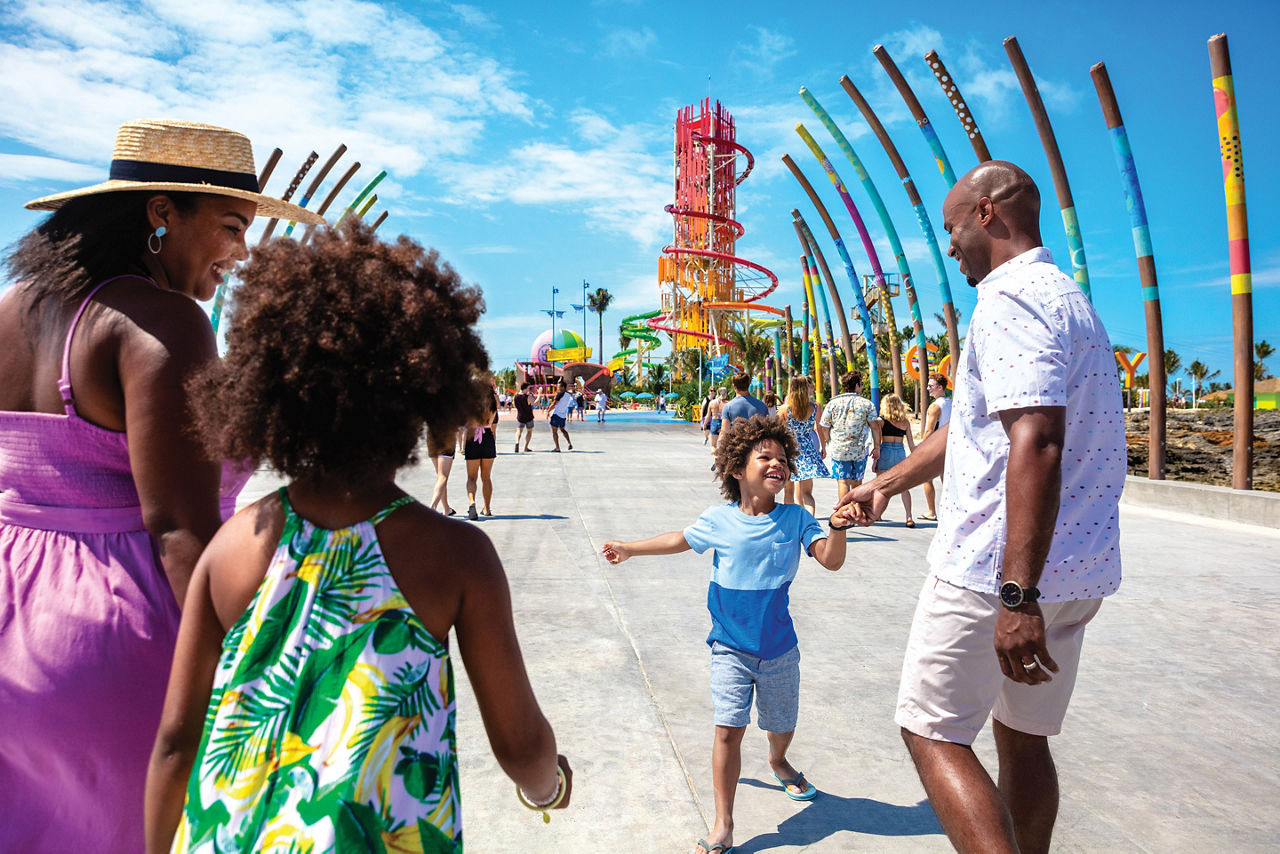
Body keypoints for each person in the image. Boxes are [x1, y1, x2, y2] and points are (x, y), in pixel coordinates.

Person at [144, 221, 572, 853]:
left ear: (270, 389)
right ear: (428, 388)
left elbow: (176, 744)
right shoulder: (454, 556)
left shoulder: (234, 545)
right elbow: (519, 744)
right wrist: (547, 788)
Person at [0, 118, 323, 851]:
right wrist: (263, 670)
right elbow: (180, 532)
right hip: (107, 638)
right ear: (161, 213)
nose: (241, 253)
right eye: (232, 228)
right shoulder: (164, 322)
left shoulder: (12, 308)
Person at [834, 161, 1125, 854]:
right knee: (1022, 738)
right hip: (1076, 573)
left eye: (953, 226)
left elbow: (1040, 441)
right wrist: (886, 483)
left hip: (995, 573)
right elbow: (975, 431)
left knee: (930, 728)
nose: (951, 243)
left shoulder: (1011, 299)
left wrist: (1016, 595)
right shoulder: (1070, 301)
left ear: (987, 214)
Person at [601, 416, 846, 854]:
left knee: (780, 724)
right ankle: (724, 823)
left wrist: (839, 528)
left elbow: (829, 560)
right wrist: (631, 548)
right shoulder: (719, 520)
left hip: (779, 651)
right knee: (728, 730)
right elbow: (680, 539)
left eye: (783, 458)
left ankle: (777, 760)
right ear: (737, 469)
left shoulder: (795, 518)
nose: (778, 464)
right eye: (765, 457)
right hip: (729, 648)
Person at [818, 370, 881, 503]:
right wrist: (877, 447)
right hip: (859, 450)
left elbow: (824, 426)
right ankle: (855, 509)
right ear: (857, 385)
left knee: (843, 482)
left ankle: (844, 511)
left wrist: (829, 440)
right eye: (861, 384)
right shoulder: (867, 404)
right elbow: (875, 427)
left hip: (838, 450)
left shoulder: (832, 404)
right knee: (857, 482)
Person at [777, 376, 828, 516]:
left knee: (788, 490)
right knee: (807, 493)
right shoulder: (815, 407)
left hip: (789, 450)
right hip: (808, 450)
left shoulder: (784, 409)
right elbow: (819, 428)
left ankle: (790, 521)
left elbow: (779, 432)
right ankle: (810, 521)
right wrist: (823, 447)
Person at [874, 393, 917, 527]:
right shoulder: (905, 422)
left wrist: (875, 461)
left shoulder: (880, 421)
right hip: (900, 452)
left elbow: (877, 442)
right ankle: (909, 517)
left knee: (882, 486)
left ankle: (878, 514)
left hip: (885, 450)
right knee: (904, 488)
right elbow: (911, 445)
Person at [463, 375, 499, 520]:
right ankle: (487, 508)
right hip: (488, 437)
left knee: (471, 477)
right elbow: (492, 424)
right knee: (486, 478)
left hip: (473, 437)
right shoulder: (492, 403)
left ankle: (472, 502)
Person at [918, 372, 952, 522]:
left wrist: (922, 448)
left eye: (931, 386)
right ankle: (951, 511)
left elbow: (929, 430)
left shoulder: (935, 407)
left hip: (936, 446)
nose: (927, 388)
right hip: (950, 445)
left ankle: (931, 511)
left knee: (927, 478)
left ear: (940, 387)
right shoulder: (952, 403)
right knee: (948, 480)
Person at [428, 424, 460, 516]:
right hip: (447, 435)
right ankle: (432, 507)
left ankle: (446, 508)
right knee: (442, 476)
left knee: (440, 476)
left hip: (431, 435)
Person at [547, 379, 575, 451]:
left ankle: (557, 447)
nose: (558, 388)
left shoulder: (559, 394)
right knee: (563, 430)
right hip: (563, 415)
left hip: (556, 415)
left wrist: (548, 411)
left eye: (559, 386)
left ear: (563, 387)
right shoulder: (568, 394)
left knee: (554, 432)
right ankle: (569, 443)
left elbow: (553, 403)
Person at [707, 387, 728, 468]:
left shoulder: (712, 403)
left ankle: (716, 459)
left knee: (713, 445)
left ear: (718, 393)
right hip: (724, 423)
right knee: (723, 445)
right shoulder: (727, 404)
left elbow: (708, 416)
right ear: (725, 393)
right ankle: (722, 460)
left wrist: (704, 425)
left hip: (714, 422)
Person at [514, 381, 535, 452]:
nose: (529, 390)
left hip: (520, 416)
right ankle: (525, 447)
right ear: (525, 388)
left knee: (519, 431)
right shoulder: (527, 397)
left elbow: (515, 406)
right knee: (529, 432)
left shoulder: (516, 397)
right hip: (529, 416)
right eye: (528, 389)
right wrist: (539, 394)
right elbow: (535, 403)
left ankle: (517, 443)